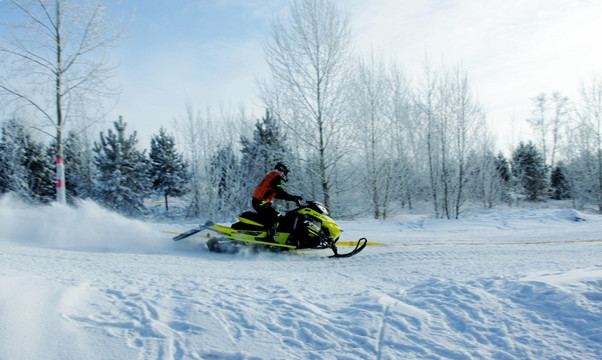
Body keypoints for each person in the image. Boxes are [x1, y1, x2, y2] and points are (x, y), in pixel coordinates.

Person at [252, 162, 302, 242]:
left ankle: (270, 236)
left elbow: (276, 194)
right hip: (260, 202)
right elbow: (280, 193)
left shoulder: (272, 176)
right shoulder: (276, 177)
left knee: (276, 217)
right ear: (281, 171)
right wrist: (293, 198)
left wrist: (292, 198)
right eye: (286, 172)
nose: (286, 175)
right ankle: (268, 239)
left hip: (259, 201)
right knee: (276, 217)